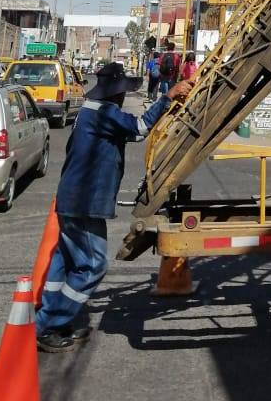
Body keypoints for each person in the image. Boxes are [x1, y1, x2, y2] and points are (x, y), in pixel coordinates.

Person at [35, 62, 193, 353]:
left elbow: (129, 134)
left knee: (66, 263)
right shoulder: (103, 113)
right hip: (84, 203)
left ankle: (47, 320)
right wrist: (168, 97)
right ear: (115, 94)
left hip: (72, 200)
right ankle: (51, 325)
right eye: (122, 93)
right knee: (93, 265)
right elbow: (139, 128)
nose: (123, 98)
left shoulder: (89, 112)